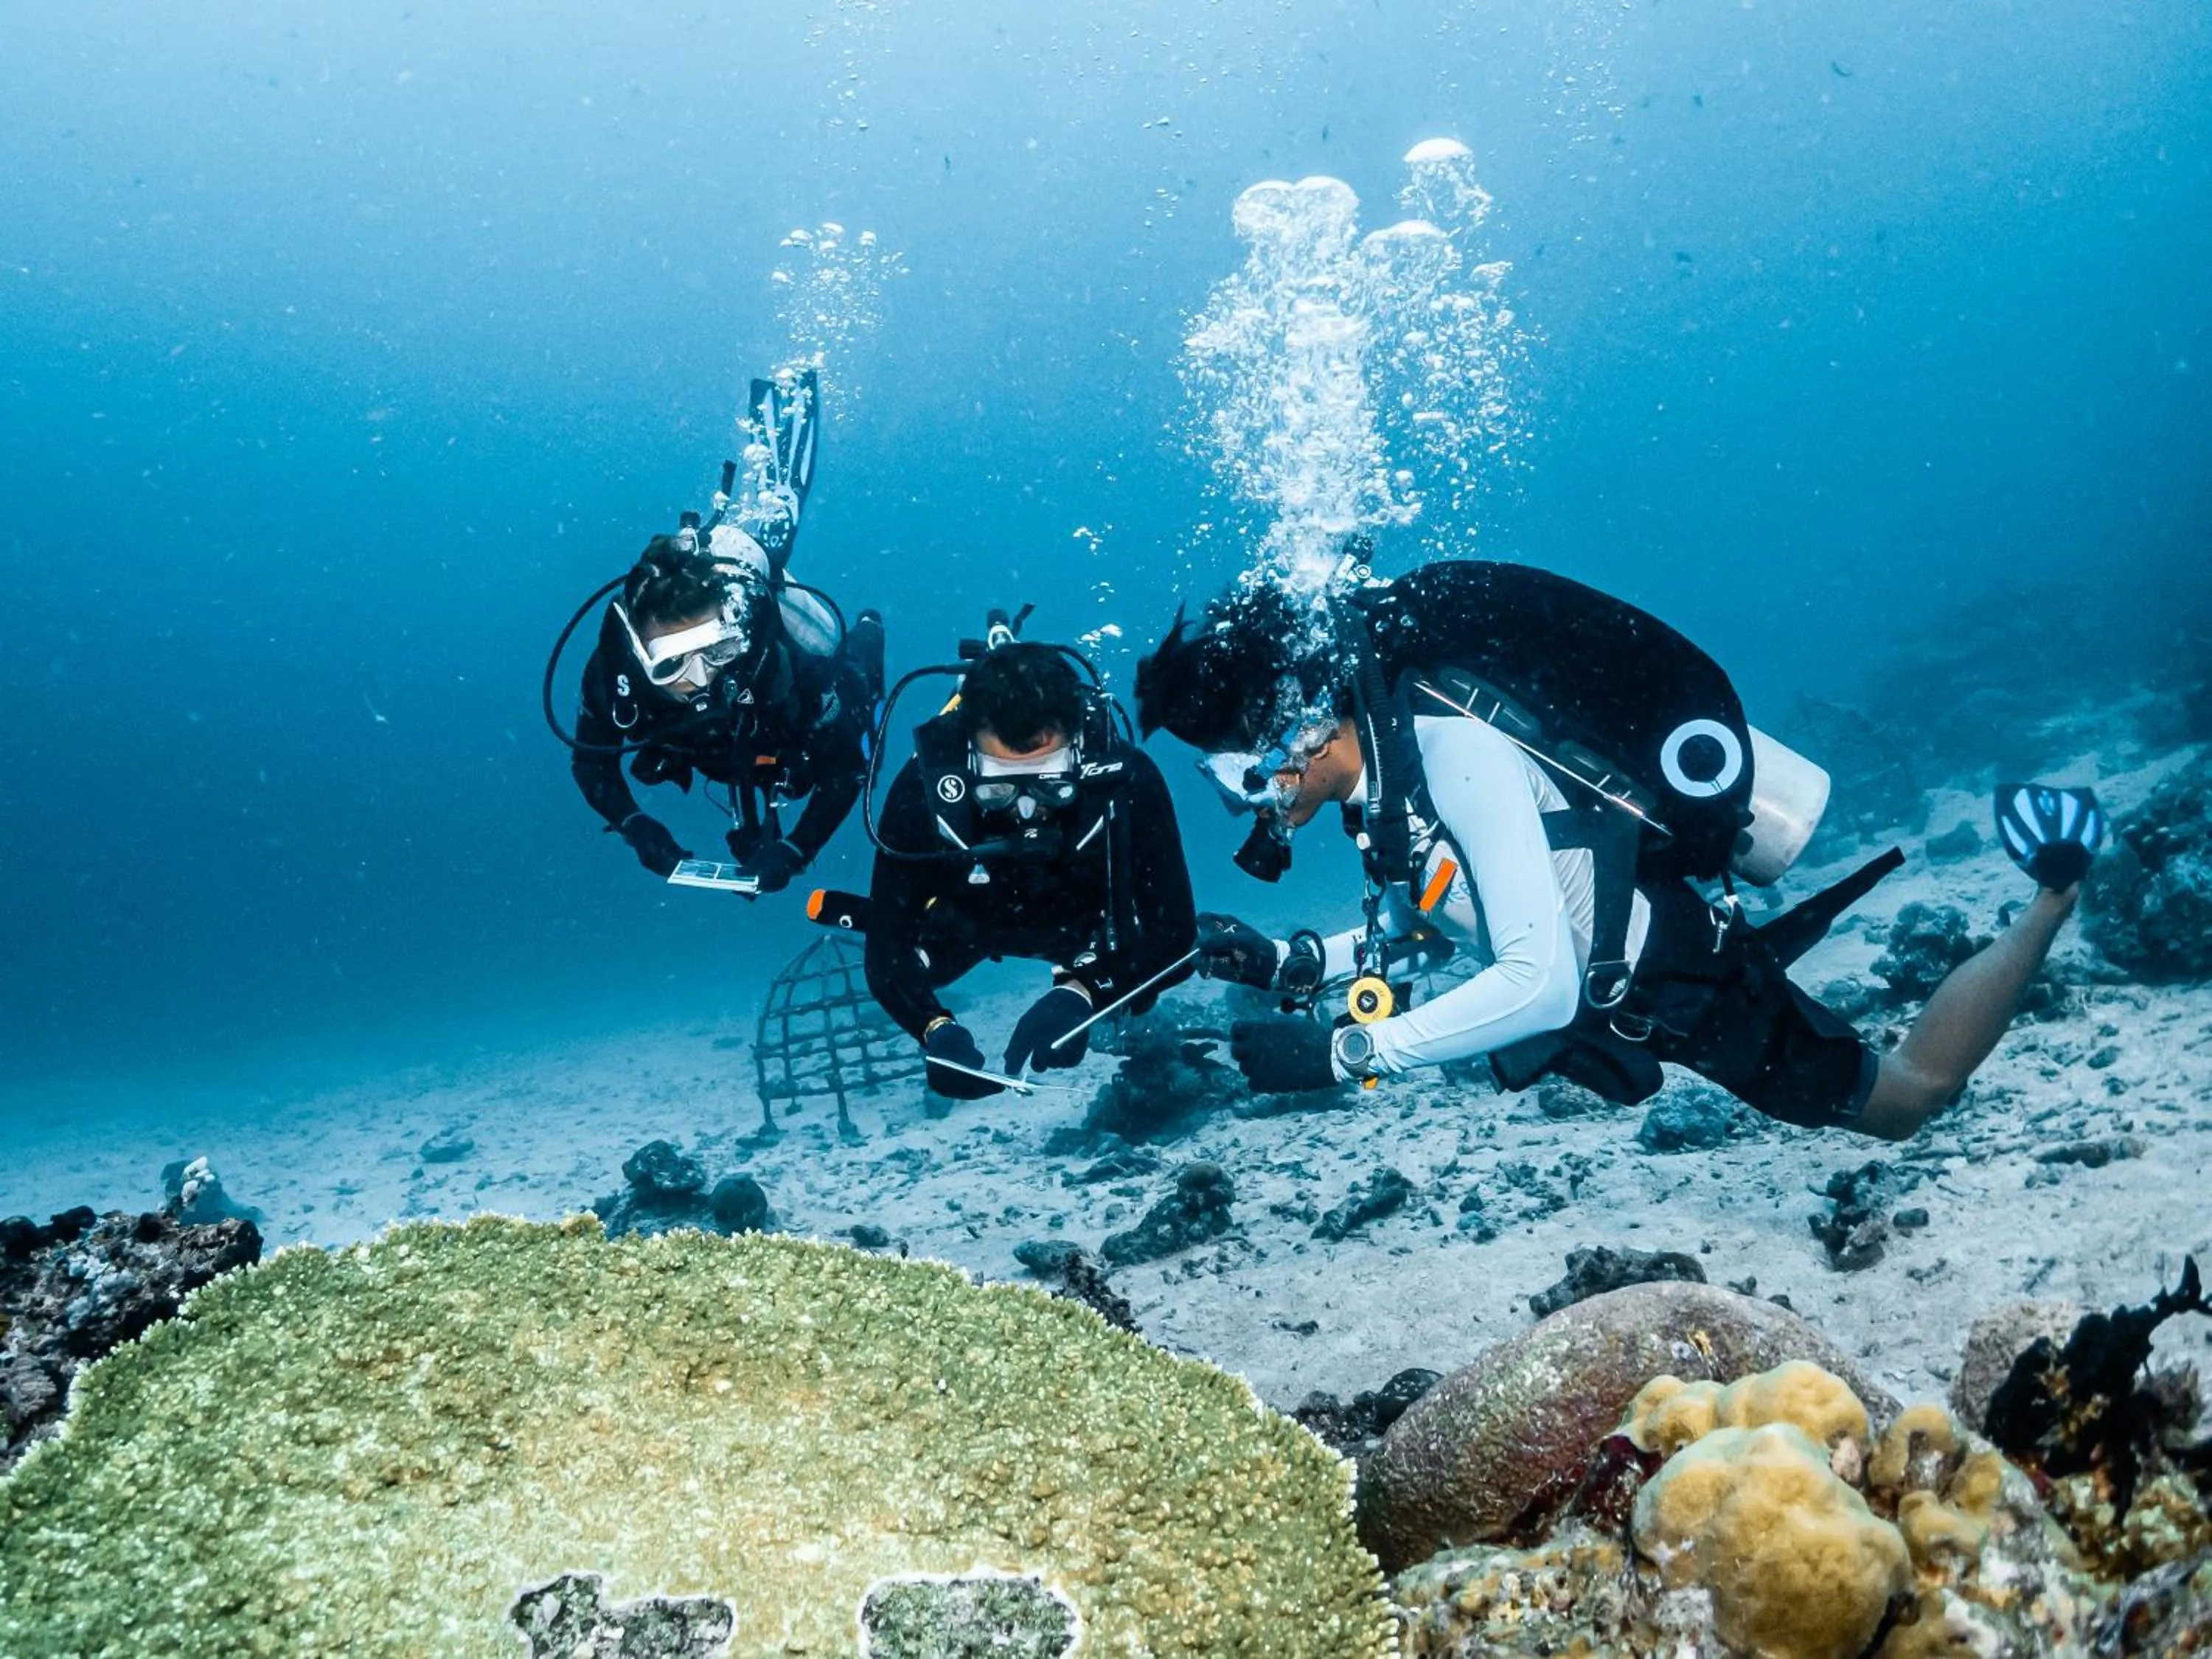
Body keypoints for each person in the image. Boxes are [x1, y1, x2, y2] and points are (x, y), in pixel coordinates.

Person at [1135, 557, 2104, 1142]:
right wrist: (1289, 961)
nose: (1244, 803)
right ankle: (2050, 896)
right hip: (1635, 991)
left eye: (1238, 774)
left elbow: (1540, 982)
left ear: (1298, 724)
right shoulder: (1378, 791)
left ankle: (2054, 893)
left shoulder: (1451, 752)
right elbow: (1438, 926)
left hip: (1680, 976)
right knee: (1893, 1101)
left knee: (1906, 1101)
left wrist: (1348, 1051)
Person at [563, 368, 883, 894]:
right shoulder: (612, 675)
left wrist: (796, 849)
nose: (706, 679)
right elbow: (590, 761)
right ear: (641, 659)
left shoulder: (773, 660)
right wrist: (634, 824)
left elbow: (845, 771)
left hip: (776, 714)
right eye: (673, 665)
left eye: (719, 652)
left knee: (855, 692)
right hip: (718, 749)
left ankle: (871, 630)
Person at [861, 636, 1198, 1100]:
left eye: (1050, 787)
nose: (1026, 813)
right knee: (923, 963)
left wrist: (1084, 993)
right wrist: (934, 1030)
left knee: (1140, 993)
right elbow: (885, 956)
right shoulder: (921, 796)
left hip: (1088, 926)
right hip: (969, 921)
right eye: (999, 790)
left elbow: (1175, 934)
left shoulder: (1127, 782)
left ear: (1079, 747)